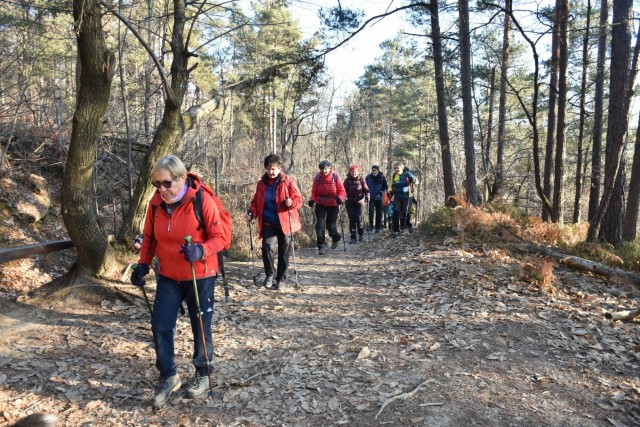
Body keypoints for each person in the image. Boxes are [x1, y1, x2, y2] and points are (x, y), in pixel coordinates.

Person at [130, 155, 227, 407]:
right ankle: (168, 375)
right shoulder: (155, 204)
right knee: (160, 324)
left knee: (200, 325)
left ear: (182, 178)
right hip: (169, 275)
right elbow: (149, 238)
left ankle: (204, 374)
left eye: (166, 183)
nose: (161, 189)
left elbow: (220, 237)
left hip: (200, 274)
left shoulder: (201, 200)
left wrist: (201, 250)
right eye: (156, 184)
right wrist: (143, 264)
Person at [247, 154, 303, 290]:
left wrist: (291, 202)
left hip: (285, 222)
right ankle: (270, 274)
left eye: (274, 169)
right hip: (268, 222)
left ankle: (281, 279)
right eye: (269, 169)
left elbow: (299, 200)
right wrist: (251, 212)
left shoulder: (288, 181)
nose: (271, 172)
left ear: (280, 168)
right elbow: (256, 201)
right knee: (267, 248)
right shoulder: (261, 184)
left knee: (284, 251)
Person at [308, 160, 346, 255]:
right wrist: (312, 200)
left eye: (326, 169)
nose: (324, 171)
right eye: (322, 169)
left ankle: (335, 237)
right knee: (320, 225)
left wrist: (340, 198)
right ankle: (321, 246)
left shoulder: (335, 176)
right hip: (320, 203)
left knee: (331, 226)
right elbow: (314, 192)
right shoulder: (317, 177)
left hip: (333, 203)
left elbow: (341, 190)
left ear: (330, 168)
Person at [343, 164, 370, 243]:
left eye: (355, 172)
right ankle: (353, 237)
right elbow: (343, 190)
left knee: (358, 219)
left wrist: (367, 196)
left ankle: (361, 233)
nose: (353, 173)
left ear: (358, 172)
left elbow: (366, 190)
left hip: (360, 201)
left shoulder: (361, 179)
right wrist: (343, 197)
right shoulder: (347, 180)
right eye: (352, 172)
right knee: (352, 219)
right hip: (350, 202)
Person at [389, 162, 415, 235]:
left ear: (401, 168)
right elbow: (391, 185)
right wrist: (390, 192)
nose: (396, 169)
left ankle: (407, 227)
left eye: (398, 168)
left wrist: (413, 180)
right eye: (395, 168)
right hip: (397, 196)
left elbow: (416, 181)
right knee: (396, 212)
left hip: (407, 196)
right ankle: (396, 230)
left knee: (406, 213)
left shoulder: (407, 174)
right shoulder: (394, 176)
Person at [365, 165, 388, 233]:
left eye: (375, 170)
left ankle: (377, 227)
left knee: (379, 213)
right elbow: (365, 186)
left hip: (379, 197)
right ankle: (371, 226)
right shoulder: (368, 177)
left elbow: (385, 186)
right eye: (373, 170)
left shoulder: (382, 177)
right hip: (371, 197)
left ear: (378, 170)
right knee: (371, 212)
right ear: (371, 171)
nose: (374, 171)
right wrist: (366, 194)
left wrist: (383, 191)